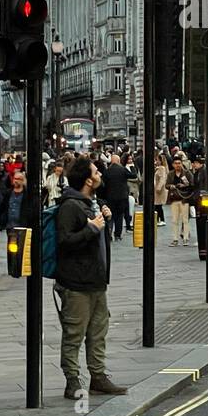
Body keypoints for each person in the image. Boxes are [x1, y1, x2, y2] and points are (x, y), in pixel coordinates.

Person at [55, 157, 127, 400]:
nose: (100, 175)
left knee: (98, 332)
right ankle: (72, 381)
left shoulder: (91, 203)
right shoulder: (70, 207)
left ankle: (98, 377)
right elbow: (64, 242)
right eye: (96, 172)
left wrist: (102, 220)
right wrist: (92, 228)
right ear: (88, 179)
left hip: (96, 281)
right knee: (74, 333)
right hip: (76, 283)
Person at [100, 154, 131, 243]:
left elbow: (103, 184)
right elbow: (133, 175)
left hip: (110, 197)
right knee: (119, 216)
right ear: (118, 161)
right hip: (122, 197)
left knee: (110, 216)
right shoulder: (122, 169)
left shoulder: (107, 170)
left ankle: (109, 234)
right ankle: (117, 235)